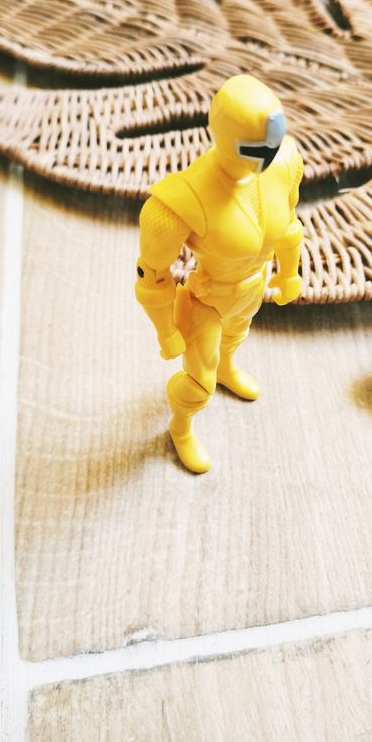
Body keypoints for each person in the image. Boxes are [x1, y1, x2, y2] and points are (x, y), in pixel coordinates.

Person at [135, 74, 304, 473]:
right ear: (226, 138)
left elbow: (288, 227)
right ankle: (181, 427)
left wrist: (289, 273)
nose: (268, 155)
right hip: (208, 300)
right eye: (256, 148)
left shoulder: (284, 163)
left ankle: (227, 368)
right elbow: (152, 278)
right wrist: (166, 331)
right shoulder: (179, 201)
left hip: (253, 287)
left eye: (274, 143)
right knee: (197, 384)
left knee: (235, 338)